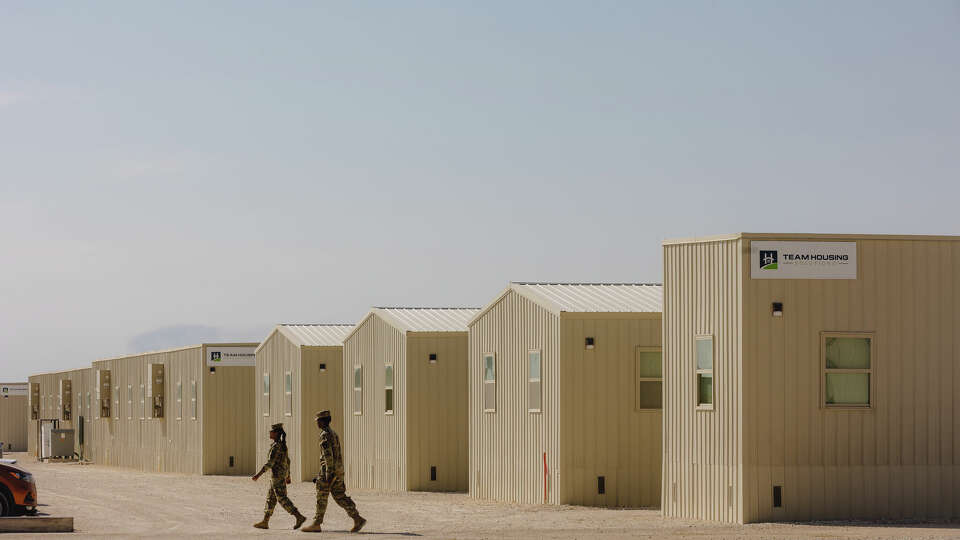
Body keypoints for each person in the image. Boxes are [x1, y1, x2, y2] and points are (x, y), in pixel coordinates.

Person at [301, 410, 366, 533]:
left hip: (329, 471)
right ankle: (357, 518)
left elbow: (328, 456)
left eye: (319, 421)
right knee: (339, 496)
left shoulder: (324, 435)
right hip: (338, 470)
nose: (317, 423)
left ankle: (316, 523)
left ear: (324, 421)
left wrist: (328, 474)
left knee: (321, 496)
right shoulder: (333, 433)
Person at [252, 423, 307, 530]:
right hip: (277, 476)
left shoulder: (277, 447)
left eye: (272, 431)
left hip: (277, 477)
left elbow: (270, 463)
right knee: (271, 499)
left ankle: (299, 516)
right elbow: (288, 461)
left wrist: (258, 475)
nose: (269, 433)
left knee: (282, 498)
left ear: (276, 433)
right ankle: (265, 521)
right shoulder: (280, 445)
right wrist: (288, 475)